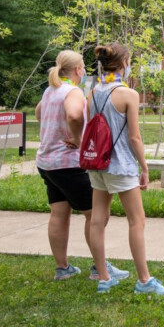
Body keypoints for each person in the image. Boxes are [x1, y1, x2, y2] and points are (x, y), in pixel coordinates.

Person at [86, 43, 164, 296]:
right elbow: (134, 138)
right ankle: (144, 281)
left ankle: (103, 277)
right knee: (137, 221)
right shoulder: (128, 94)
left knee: (97, 221)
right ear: (124, 64)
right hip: (121, 165)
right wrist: (144, 167)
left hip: (97, 164)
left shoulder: (93, 93)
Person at [35, 50, 128, 283]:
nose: (85, 70)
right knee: (96, 216)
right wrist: (77, 139)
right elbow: (75, 115)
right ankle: (99, 268)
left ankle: (62, 268)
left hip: (47, 163)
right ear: (78, 70)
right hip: (69, 163)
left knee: (58, 213)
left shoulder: (50, 90)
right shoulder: (72, 91)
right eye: (83, 66)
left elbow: (38, 113)